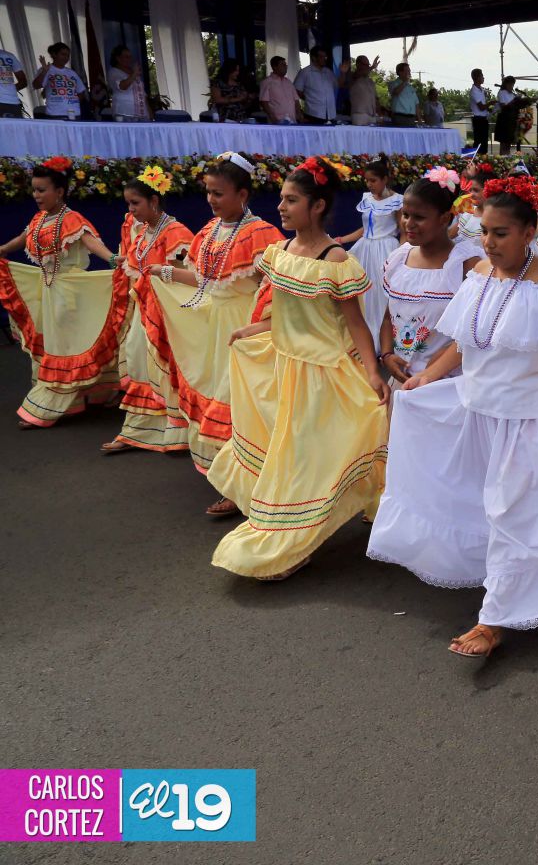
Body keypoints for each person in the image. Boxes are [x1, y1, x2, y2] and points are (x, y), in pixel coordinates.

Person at [367, 174, 538, 658]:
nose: (489, 241)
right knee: (483, 504)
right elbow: (464, 344)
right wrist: (428, 379)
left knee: (513, 512)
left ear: (529, 232)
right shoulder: (479, 275)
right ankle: (518, 587)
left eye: (501, 233)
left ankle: (493, 619)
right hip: (479, 410)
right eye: (484, 230)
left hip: (532, 421)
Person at [207, 158, 390, 580]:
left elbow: (354, 322)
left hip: (321, 373)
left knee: (305, 457)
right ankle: (296, 531)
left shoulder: (335, 257)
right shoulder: (283, 251)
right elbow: (286, 314)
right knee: (292, 453)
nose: (281, 208)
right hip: (285, 365)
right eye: (282, 199)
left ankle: (292, 541)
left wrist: (373, 371)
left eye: (292, 200)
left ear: (318, 205)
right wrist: (255, 328)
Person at [143, 153, 285, 499]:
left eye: (219, 193)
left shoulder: (262, 234)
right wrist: (165, 272)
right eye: (208, 192)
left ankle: (251, 488)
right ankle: (234, 483)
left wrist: (262, 328)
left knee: (240, 402)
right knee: (218, 394)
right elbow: (206, 281)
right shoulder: (209, 231)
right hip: (215, 325)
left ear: (243, 195)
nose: (211, 200)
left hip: (246, 328)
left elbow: (277, 288)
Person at [0, 158, 125, 426]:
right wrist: (2, 250)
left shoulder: (72, 220)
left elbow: (92, 242)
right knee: (63, 344)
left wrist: (114, 260)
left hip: (71, 292)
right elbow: (22, 239)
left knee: (67, 346)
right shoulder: (39, 219)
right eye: (34, 190)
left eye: (42, 190)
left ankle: (49, 406)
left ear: (60, 191)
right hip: (50, 292)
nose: (36, 195)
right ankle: (98, 390)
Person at [102, 167, 195, 454]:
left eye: (135, 203)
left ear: (154, 201)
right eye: (128, 204)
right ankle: (137, 431)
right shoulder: (142, 232)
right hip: (144, 310)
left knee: (163, 369)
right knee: (139, 364)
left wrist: (163, 276)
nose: (130, 210)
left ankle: (176, 435)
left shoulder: (176, 233)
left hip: (167, 315)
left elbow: (189, 275)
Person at [378, 169, 483, 389]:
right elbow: (389, 318)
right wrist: (387, 354)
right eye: (406, 215)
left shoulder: (465, 265)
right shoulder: (398, 259)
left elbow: (476, 331)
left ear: (445, 218)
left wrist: (435, 369)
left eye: (419, 217)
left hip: (448, 385)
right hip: (404, 382)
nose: (409, 224)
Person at [332, 158, 403, 344]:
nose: (369, 184)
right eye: (367, 180)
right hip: (366, 247)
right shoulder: (367, 198)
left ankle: (384, 336)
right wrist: (341, 239)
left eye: (373, 180)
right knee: (362, 290)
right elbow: (365, 228)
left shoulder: (397, 201)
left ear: (384, 179)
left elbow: (403, 230)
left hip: (386, 248)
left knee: (381, 293)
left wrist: (404, 254)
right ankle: (363, 335)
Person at [32, 43, 85, 120]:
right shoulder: (46, 69)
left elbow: (81, 91)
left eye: (68, 55)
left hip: (74, 114)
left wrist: (74, 102)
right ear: (54, 54)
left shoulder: (72, 73)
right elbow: (36, 85)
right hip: (55, 114)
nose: (66, 58)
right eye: (63, 54)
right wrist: (44, 72)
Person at [293, 47, 344, 124]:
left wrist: (343, 73)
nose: (324, 59)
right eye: (321, 56)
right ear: (313, 58)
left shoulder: (328, 72)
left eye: (325, 57)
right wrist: (308, 98)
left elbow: (339, 85)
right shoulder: (305, 72)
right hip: (313, 114)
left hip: (330, 114)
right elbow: (296, 90)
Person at [107, 45, 149, 119]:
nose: (130, 59)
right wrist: (134, 74)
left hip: (142, 114)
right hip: (124, 113)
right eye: (126, 57)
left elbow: (143, 94)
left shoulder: (132, 72)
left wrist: (149, 112)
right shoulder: (113, 72)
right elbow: (122, 86)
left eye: (130, 56)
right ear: (118, 58)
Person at [259, 56, 302, 125]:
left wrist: (299, 114)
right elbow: (264, 102)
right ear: (274, 67)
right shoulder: (267, 82)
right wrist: (272, 117)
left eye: (286, 65)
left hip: (292, 121)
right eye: (283, 65)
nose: (285, 67)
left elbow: (296, 99)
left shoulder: (288, 82)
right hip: (277, 122)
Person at [493, 76, 529, 155]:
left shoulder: (513, 94)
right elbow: (503, 106)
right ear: (505, 84)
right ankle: (502, 159)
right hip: (504, 121)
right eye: (510, 84)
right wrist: (514, 101)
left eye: (512, 84)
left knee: (508, 144)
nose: (511, 86)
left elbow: (517, 105)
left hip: (512, 121)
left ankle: (507, 159)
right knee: (504, 143)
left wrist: (524, 102)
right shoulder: (502, 92)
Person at [347, 55, 380, 126]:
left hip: (372, 116)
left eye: (368, 64)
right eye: (365, 64)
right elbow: (357, 75)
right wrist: (372, 67)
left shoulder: (370, 81)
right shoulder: (353, 76)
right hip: (359, 115)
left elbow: (376, 98)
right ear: (358, 64)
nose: (367, 66)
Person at [389, 62, 419, 127]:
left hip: (411, 118)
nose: (409, 73)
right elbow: (396, 92)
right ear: (400, 72)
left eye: (409, 71)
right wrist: (405, 82)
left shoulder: (411, 87)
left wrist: (419, 119)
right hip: (399, 117)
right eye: (407, 71)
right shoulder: (393, 84)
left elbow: (416, 104)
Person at [0, 46, 26, 118]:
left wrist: (7, 91)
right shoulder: (9, 56)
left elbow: (23, 82)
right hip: (12, 102)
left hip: (12, 102)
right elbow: (23, 82)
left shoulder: (9, 56)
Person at [468, 68, 491, 151]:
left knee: (484, 141)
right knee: (479, 141)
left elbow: (484, 106)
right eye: (482, 76)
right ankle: (476, 159)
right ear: (477, 77)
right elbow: (481, 107)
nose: (483, 78)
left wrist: (490, 108)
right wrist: (490, 103)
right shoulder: (474, 91)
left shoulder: (481, 89)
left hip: (484, 118)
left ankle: (483, 159)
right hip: (478, 119)